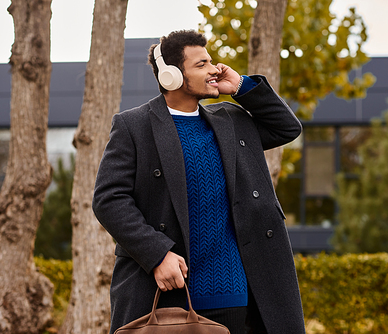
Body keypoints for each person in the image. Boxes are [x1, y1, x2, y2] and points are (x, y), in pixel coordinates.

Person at [92, 29, 306, 334]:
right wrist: (156, 254)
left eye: (211, 61)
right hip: (170, 293)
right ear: (171, 76)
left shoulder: (231, 119)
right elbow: (109, 199)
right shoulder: (134, 125)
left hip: (238, 293)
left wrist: (242, 87)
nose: (214, 69)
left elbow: (286, 127)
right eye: (202, 64)